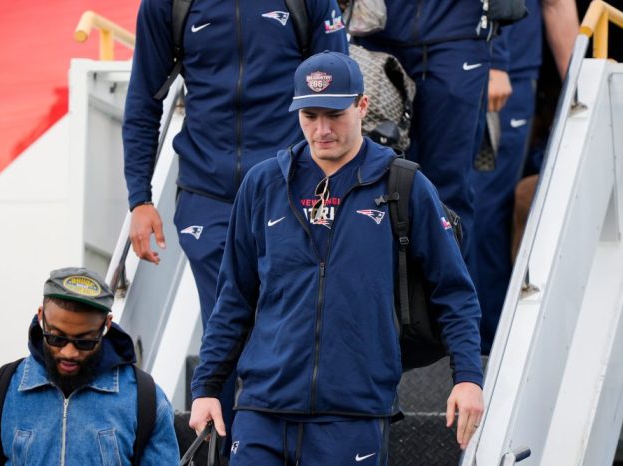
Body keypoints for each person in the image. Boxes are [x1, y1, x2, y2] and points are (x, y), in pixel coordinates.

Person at [188, 51, 484, 465]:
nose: (322, 130)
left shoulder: (405, 185)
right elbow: (234, 298)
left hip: (354, 414)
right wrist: (206, 388)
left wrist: (468, 378)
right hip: (262, 410)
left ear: (362, 106)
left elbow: (454, 292)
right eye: (310, 116)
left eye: (335, 114)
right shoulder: (263, 184)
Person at [123, 2, 348, 440]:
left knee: (291, 325)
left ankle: (282, 444)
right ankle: (222, 452)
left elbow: (340, 94)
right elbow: (143, 100)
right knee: (222, 326)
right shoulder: (168, 5)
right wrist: (140, 200)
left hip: (289, 188)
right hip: (206, 195)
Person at [0, 267, 179, 464]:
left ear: (106, 325)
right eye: (56, 338)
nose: (69, 352)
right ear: (41, 317)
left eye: (84, 341)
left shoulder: (146, 401)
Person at [473, 0, 579, 353]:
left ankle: (487, 344)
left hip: (505, 75)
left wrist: (583, 87)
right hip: (423, 63)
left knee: (486, 211)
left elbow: (556, 4)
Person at [353, 0, 493, 265]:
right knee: (373, 184)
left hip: (456, 38)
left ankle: (449, 288)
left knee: (447, 188)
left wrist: (502, 63)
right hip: (374, 34)